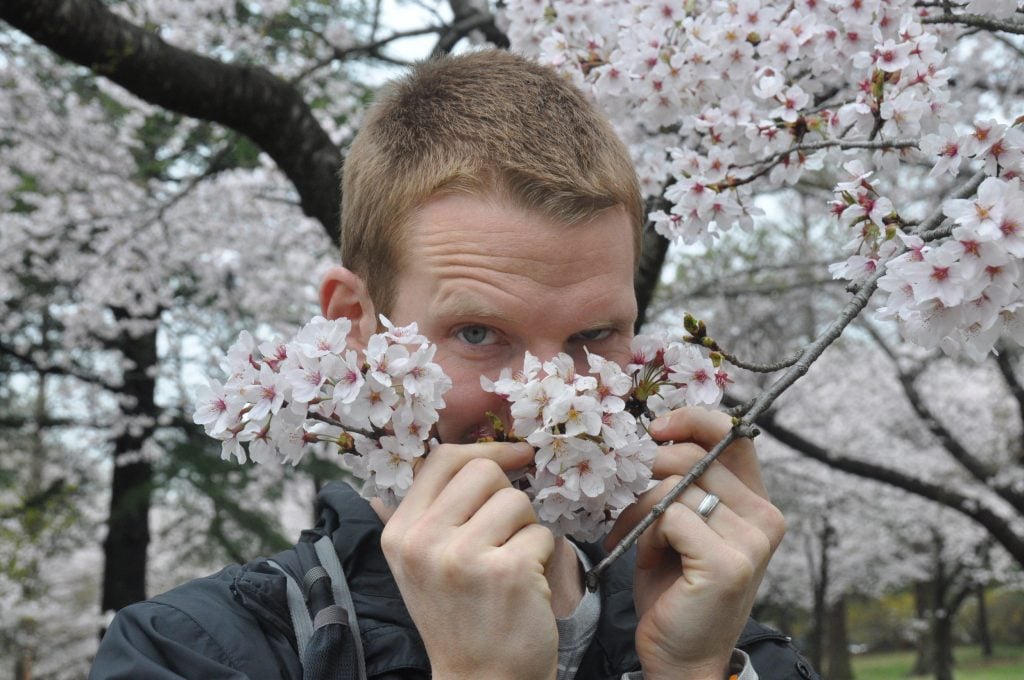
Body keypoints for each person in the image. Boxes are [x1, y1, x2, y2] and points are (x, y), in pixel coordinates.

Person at [90, 50, 819, 680]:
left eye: (593, 335)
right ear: (355, 322)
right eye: (478, 332)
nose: (548, 400)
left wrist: (692, 670)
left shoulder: (730, 647)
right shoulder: (191, 653)